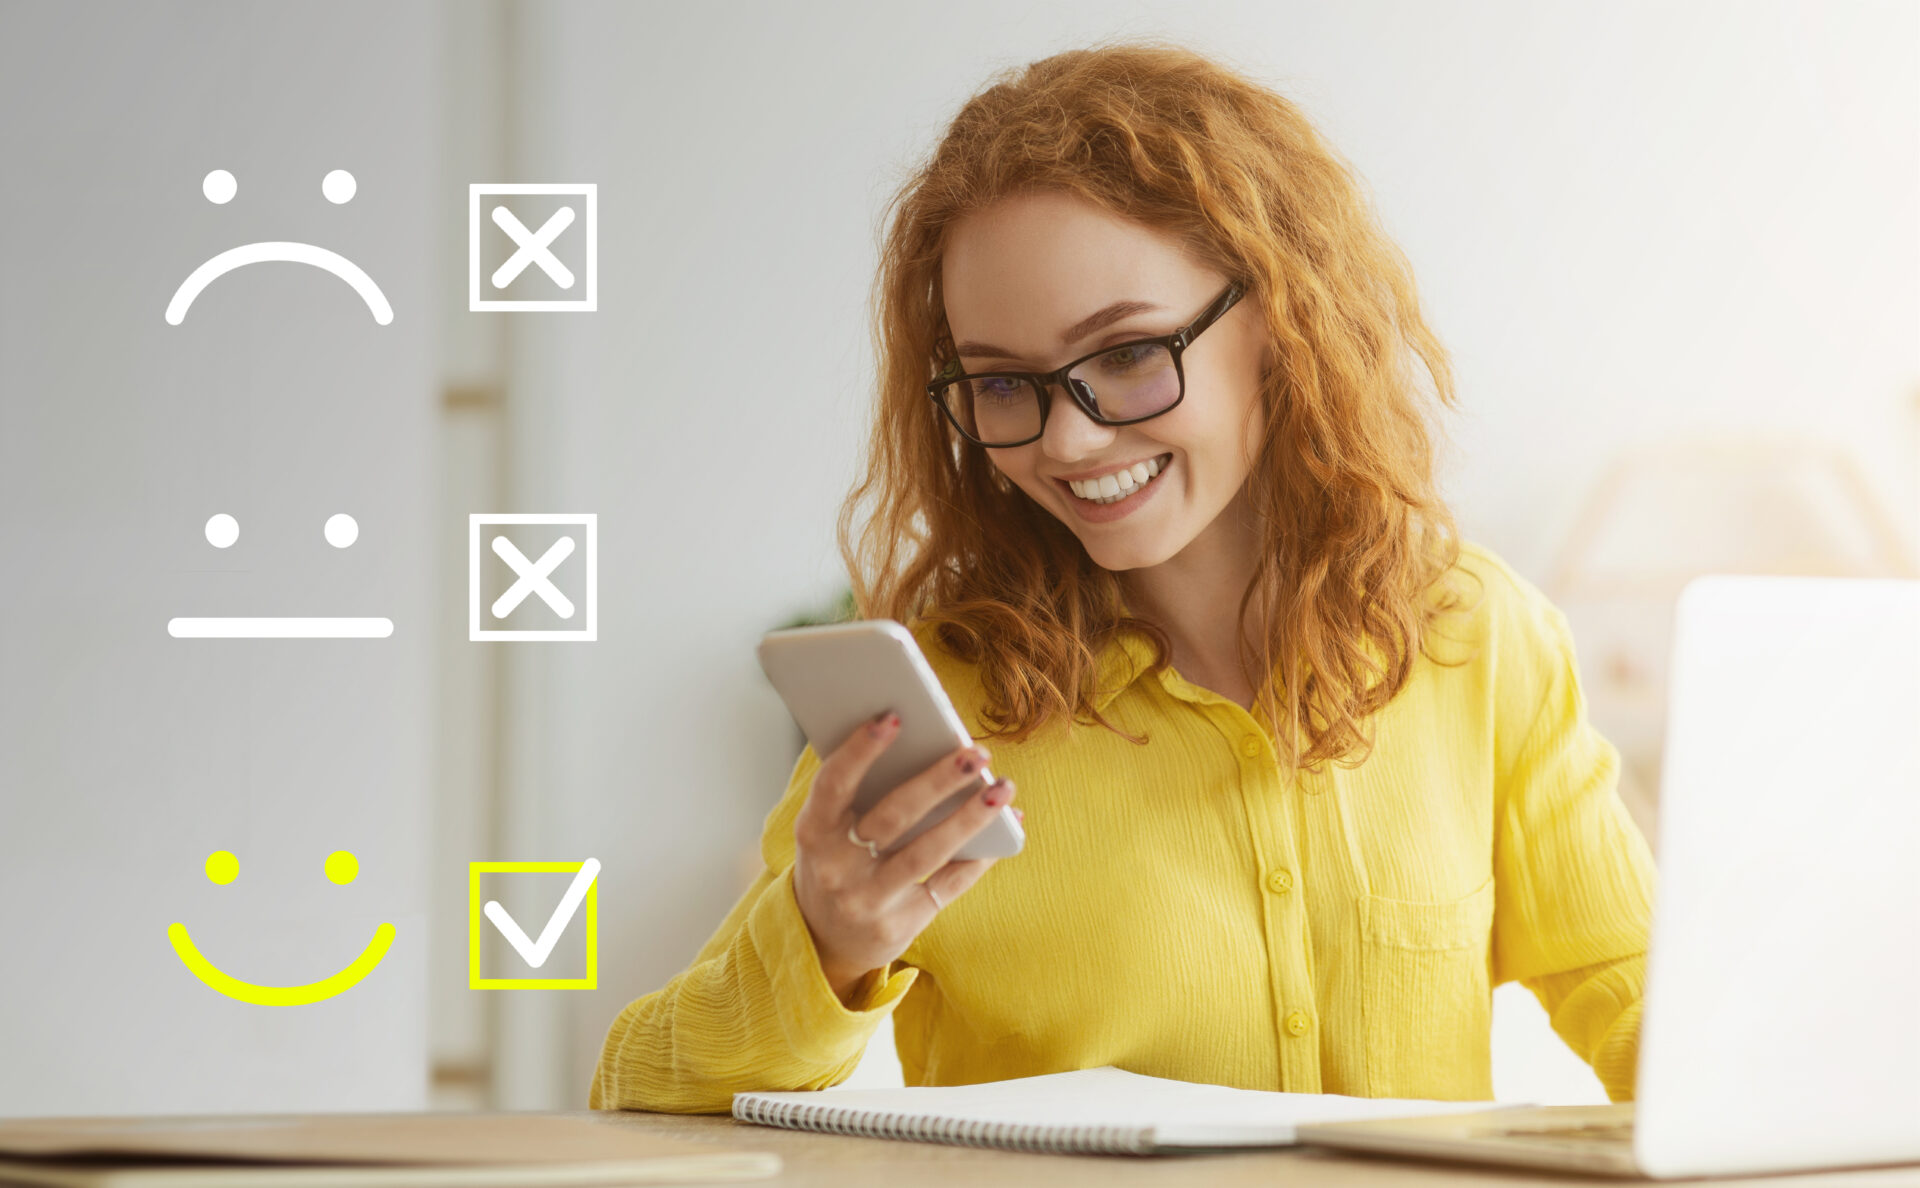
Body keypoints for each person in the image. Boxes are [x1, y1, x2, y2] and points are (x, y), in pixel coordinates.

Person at [590, 39, 1655, 1114]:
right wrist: (823, 944)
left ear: (1284, 320)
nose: (1067, 441)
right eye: (1005, 382)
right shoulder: (945, 705)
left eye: (1129, 355)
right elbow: (635, 1088)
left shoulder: (1477, 635)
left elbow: (1633, 990)